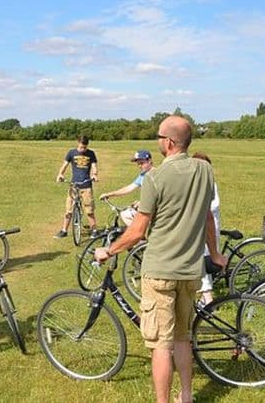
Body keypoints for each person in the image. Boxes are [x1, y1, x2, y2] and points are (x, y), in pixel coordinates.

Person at [95, 116, 226, 403]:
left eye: (158, 136)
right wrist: (215, 253)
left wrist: (109, 250)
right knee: (182, 338)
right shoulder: (205, 170)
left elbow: (138, 231)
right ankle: (187, 397)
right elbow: (206, 218)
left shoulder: (154, 178)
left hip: (160, 271)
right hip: (190, 270)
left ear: (168, 142)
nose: (157, 141)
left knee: (160, 346)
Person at [192, 152, 222, 306]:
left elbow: (211, 208)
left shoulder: (209, 183)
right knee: (202, 261)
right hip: (203, 227)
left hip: (207, 228)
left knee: (201, 261)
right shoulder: (200, 183)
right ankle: (204, 296)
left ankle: (208, 300)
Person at [54, 135, 98, 238]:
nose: (83, 149)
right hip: (74, 185)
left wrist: (95, 175)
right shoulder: (71, 153)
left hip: (86, 186)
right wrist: (60, 174)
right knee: (69, 210)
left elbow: (94, 166)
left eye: (85, 147)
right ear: (77, 143)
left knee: (89, 210)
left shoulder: (91, 154)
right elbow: (64, 165)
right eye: (81, 147)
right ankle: (64, 231)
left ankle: (94, 230)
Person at [98, 149, 153, 226]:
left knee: (128, 216)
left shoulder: (157, 175)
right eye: (138, 164)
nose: (140, 166)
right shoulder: (142, 176)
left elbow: (159, 195)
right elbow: (129, 188)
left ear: (149, 161)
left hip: (157, 211)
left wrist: (142, 203)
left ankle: (140, 235)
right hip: (147, 208)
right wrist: (109, 194)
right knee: (125, 214)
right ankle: (141, 237)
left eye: (142, 163)